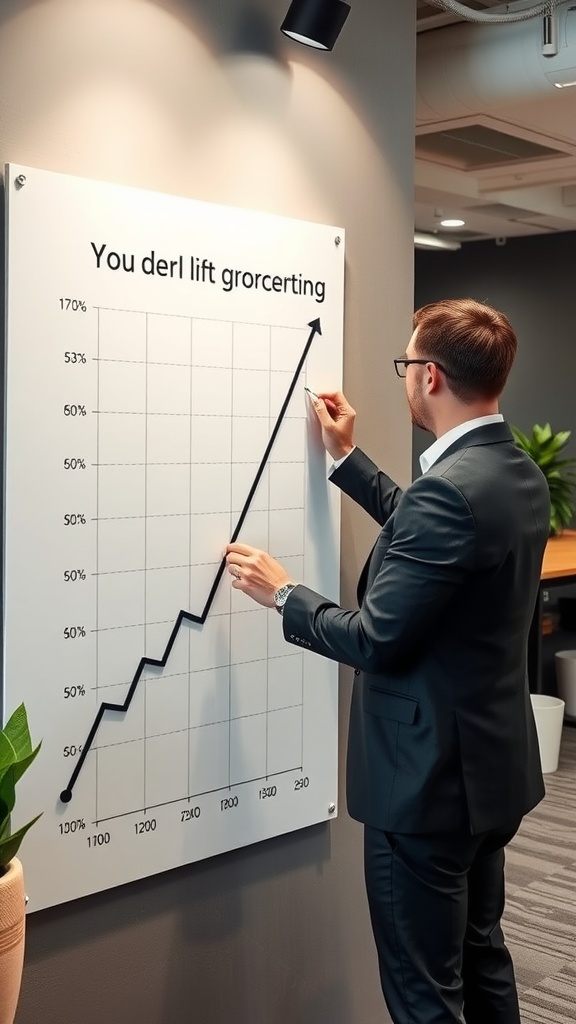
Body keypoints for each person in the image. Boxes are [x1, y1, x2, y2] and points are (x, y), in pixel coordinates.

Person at [225, 297, 550, 1024]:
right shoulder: (514, 473)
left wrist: (285, 596)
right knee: (480, 957)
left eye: (406, 364)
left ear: (429, 377)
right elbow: (435, 535)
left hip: (426, 786)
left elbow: (375, 638)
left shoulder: (451, 493)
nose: (405, 377)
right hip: (487, 776)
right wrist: (347, 459)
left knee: (422, 993)